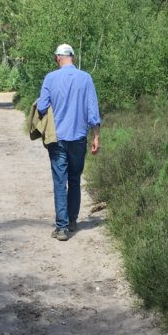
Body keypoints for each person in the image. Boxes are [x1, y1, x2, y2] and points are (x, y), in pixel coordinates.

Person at [35, 43, 101, 241]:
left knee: (59, 181)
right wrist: (96, 136)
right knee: (74, 180)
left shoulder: (51, 78)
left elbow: (42, 106)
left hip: (57, 139)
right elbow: (92, 111)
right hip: (79, 138)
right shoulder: (86, 78)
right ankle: (72, 221)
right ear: (72, 56)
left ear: (58, 58)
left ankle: (61, 228)